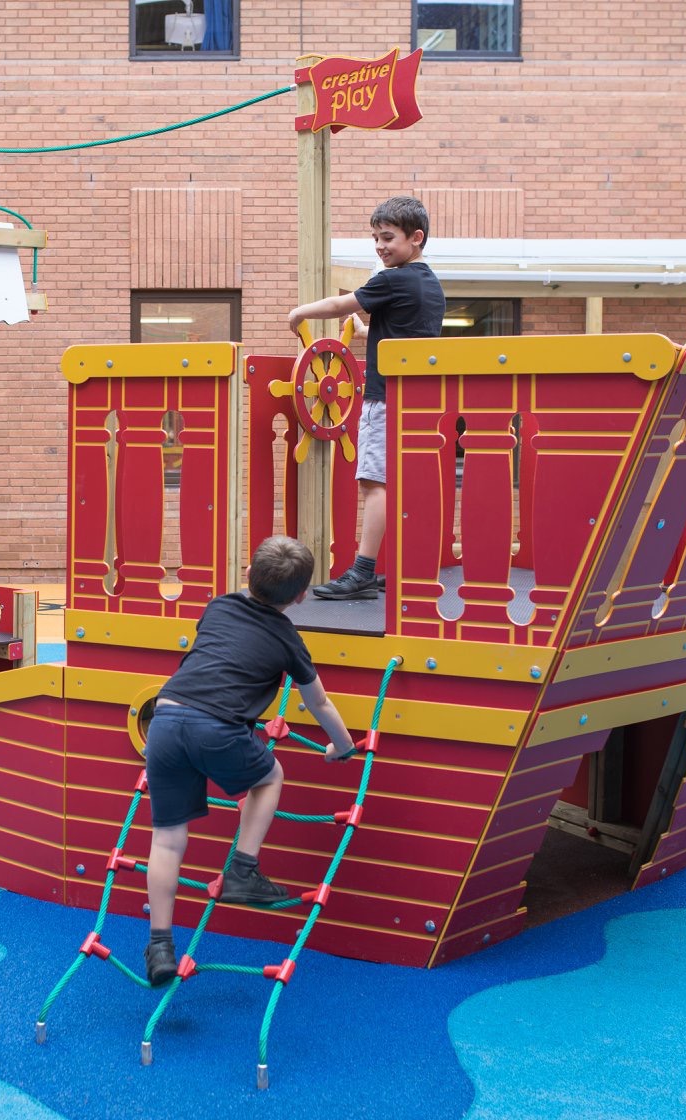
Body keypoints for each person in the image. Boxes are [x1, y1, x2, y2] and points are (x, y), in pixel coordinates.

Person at [141, 535, 358, 987]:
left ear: (246, 575)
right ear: (301, 597)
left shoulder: (218, 606)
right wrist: (343, 744)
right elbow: (318, 703)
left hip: (165, 718)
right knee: (270, 776)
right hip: (216, 727)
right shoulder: (288, 638)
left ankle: (159, 945)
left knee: (166, 839)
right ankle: (243, 868)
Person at [287, 195, 447, 599]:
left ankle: (360, 571)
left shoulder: (391, 280)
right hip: (417, 403)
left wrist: (300, 312)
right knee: (399, 486)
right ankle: (403, 566)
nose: (379, 246)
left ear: (416, 238)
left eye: (388, 237)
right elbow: (407, 333)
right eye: (375, 237)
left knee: (375, 484)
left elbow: (341, 302)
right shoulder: (429, 284)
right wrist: (363, 334)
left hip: (384, 400)